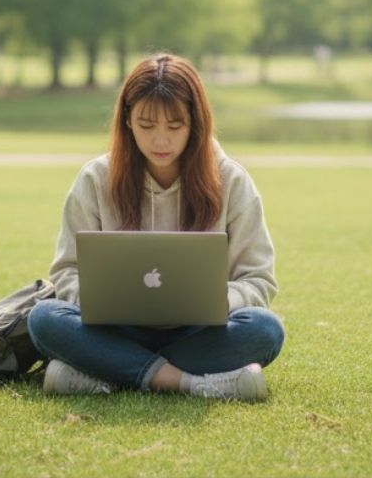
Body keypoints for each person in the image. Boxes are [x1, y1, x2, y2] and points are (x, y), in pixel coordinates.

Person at [27, 53, 284, 402]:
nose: (160, 141)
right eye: (147, 125)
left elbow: (258, 278)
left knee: (266, 330)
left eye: (174, 126)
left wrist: (218, 301)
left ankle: (108, 371)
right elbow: (67, 272)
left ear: (195, 122)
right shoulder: (95, 178)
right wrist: (102, 301)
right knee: (44, 318)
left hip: (198, 332)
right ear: (127, 121)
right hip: (116, 329)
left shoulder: (231, 180)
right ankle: (187, 382)